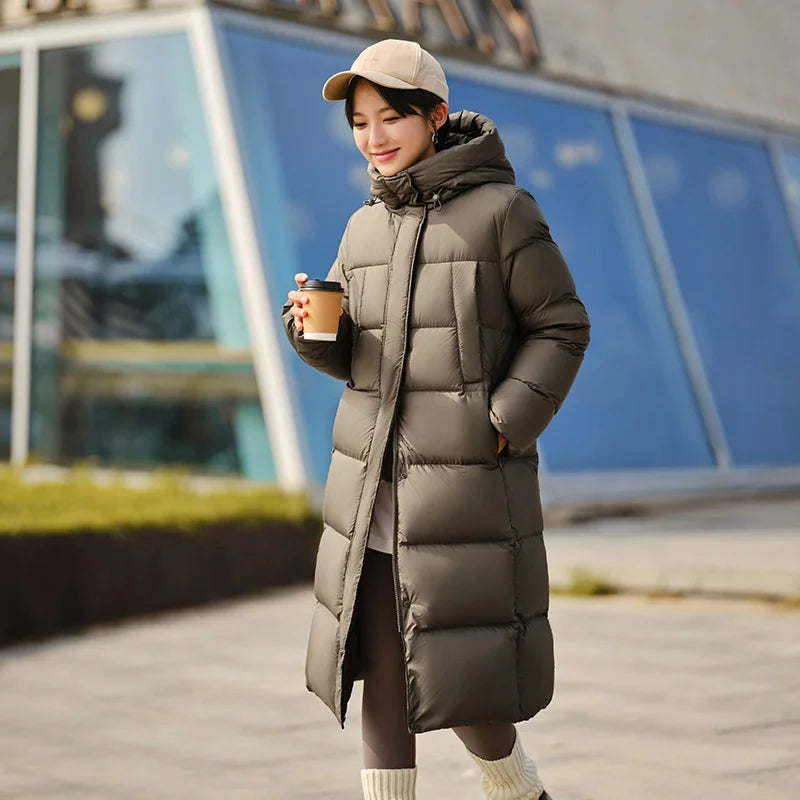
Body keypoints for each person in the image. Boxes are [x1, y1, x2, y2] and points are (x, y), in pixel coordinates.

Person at [282, 38, 590, 800]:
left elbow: (562, 326)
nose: (373, 137)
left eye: (390, 117)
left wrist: (504, 422)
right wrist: (314, 330)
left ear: (436, 116)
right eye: (359, 122)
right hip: (371, 487)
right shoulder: (363, 227)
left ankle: (517, 789)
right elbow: (362, 359)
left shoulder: (503, 212)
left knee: (459, 673)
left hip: (461, 487)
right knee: (381, 663)